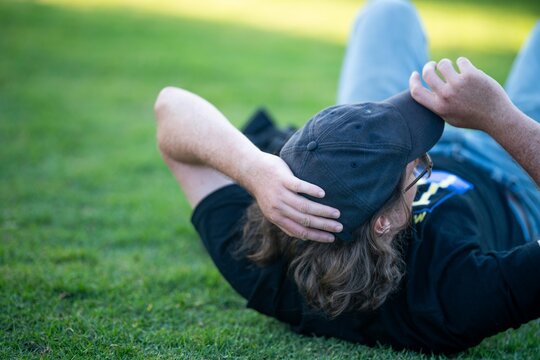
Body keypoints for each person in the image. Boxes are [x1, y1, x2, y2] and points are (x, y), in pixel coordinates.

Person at [153, 0, 540, 353]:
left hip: (370, 144)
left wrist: (255, 170)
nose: (424, 161)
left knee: (386, 12)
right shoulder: (452, 298)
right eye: (417, 167)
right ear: (384, 222)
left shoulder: (267, 265)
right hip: (511, 180)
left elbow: (170, 107)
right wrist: (498, 117)